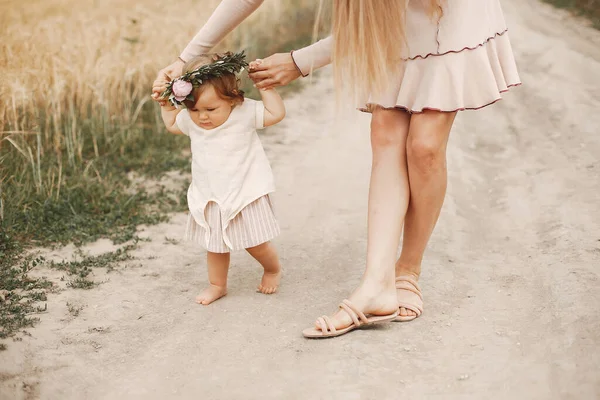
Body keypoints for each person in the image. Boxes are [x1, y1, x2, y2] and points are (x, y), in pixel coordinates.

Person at [152, 0, 521, 338]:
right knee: (385, 130)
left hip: (450, 17)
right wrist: (186, 58)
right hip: (390, 22)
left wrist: (301, 60)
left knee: (424, 146)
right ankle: (377, 284)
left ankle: (407, 270)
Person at [155, 52, 286, 305]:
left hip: (245, 193)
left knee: (254, 243)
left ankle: (272, 268)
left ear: (233, 99)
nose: (202, 117)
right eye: (194, 109)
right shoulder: (193, 121)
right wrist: (165, 103)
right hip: (211, 196)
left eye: (211, 109)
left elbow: (275, 113)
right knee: (215, 246)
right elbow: (172, 124)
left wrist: (265, 86)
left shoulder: (244, 113)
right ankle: (218, 285)